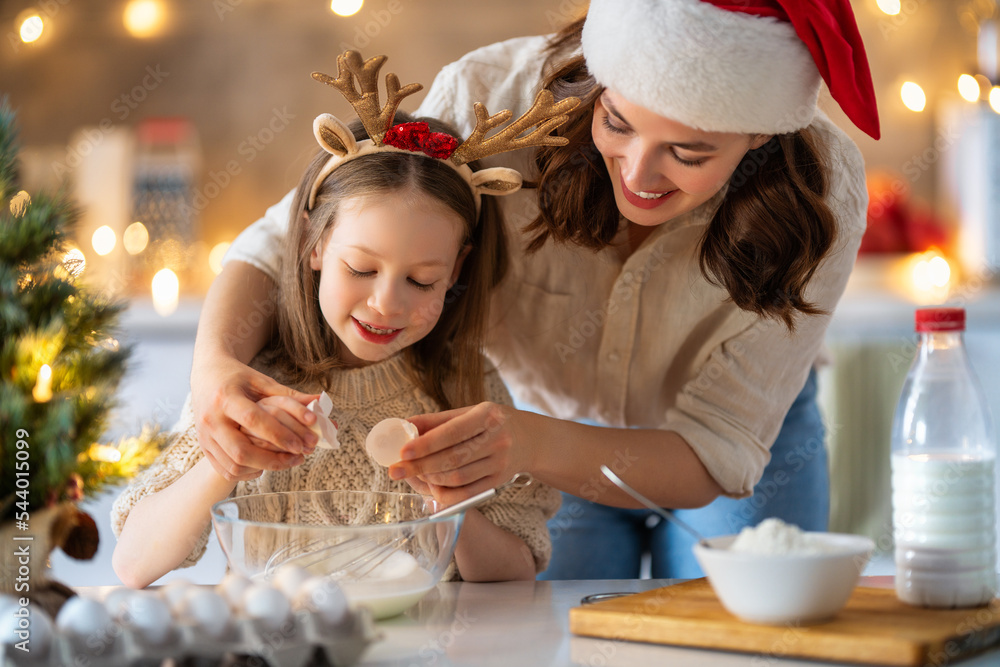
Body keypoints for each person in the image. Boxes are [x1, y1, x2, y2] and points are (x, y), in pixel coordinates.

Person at [189, 0, 881, 579]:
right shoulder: (496, 101)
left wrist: (527, 444)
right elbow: (287, 237)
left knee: (751, 634)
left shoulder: (819, 193)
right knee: (548, 634)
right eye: (618, 123)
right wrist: (215, 368)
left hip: (707, 443)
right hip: (525, 426)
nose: (639, 171)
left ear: (757, 135)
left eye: (690, 152)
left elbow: (717, 445)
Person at [110, 51, 568, 588]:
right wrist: (228, 460)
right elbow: (134, 564)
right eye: (361, 268)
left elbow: (515, 572)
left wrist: (450, 502)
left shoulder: (464, 386)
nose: (385, 304)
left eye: (420, 281)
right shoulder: (251, 385)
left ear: (457, 270)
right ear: (312, 243)